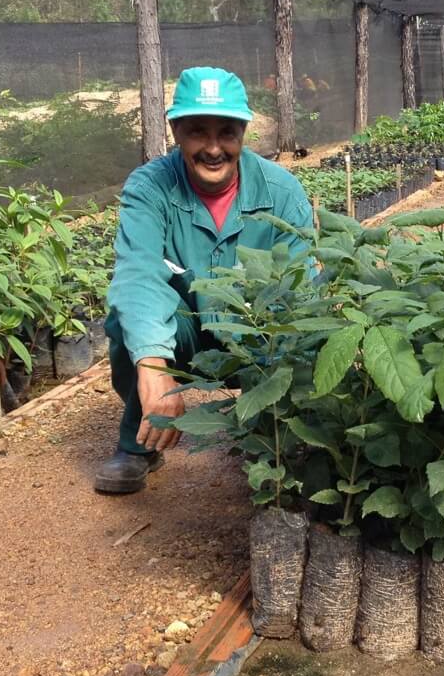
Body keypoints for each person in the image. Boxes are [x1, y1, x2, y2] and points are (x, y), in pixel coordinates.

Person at [94, 66, 313, 494]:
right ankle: (139, 443)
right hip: (186, 329)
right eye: (198, 131)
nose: (213, 148)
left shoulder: (282, 192)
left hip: (257, 334)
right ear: (176, 130)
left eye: (227, 132)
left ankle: (266, 433)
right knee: (128, 322)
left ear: (244, 132)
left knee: (299, 336)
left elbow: (302, 289)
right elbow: (137, 271)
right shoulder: (150, 187)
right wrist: (154, 365)